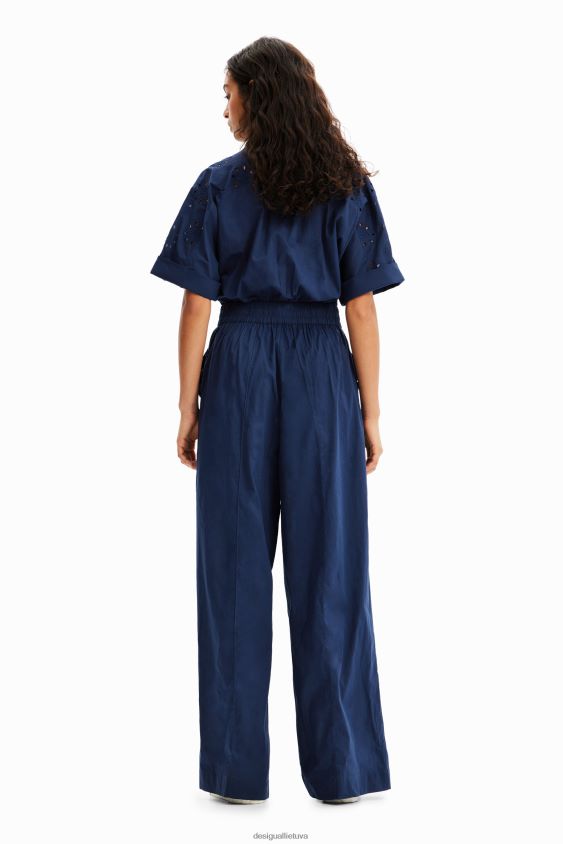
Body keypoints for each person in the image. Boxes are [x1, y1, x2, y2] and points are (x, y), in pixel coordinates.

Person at [150, 37, 405, 806]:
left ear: (256, 96)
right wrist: (369, 410)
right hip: (323, 369)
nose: (223, 107)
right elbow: (361, 308)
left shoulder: (217, 186)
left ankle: (234, 773)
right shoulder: (343, 188)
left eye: (228, 93)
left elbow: (195, 305)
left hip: (238, 367)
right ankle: (343, 771)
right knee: (332, 570)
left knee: (232, 569)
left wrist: (187, 405)